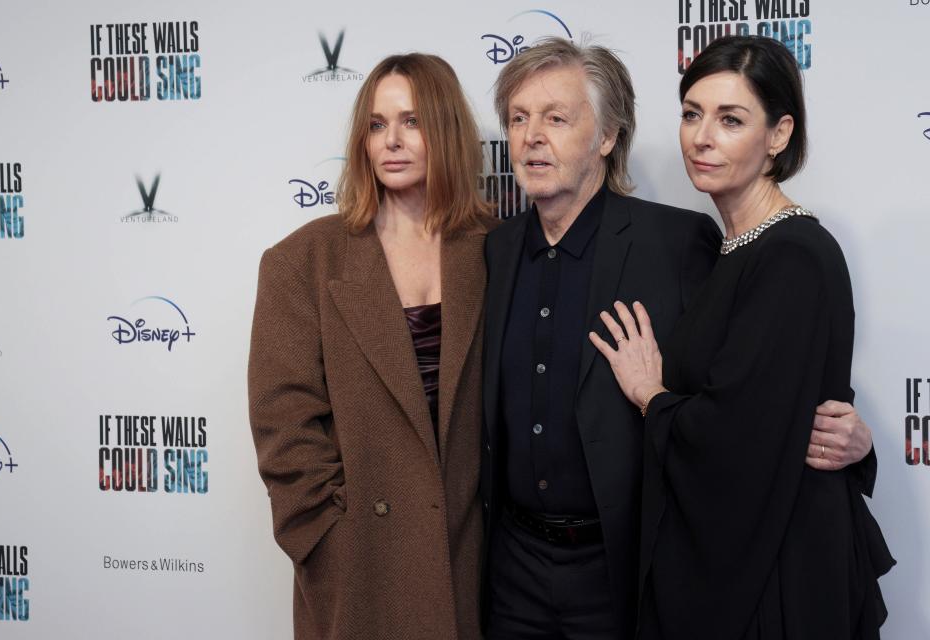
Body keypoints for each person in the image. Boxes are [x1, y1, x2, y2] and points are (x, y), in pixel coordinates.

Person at [480, 37, 877, 639]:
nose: (533, 135)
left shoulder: (700, 245)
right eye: (692, 114)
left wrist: (853, 439)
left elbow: (750, 417)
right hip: (514, 569)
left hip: (646, 569)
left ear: (607, 137)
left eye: (557, 118)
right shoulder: (494, 250)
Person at [590, 35, 894, 638]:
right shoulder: (735, 247)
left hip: (777, 577)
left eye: (731, 120)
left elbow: (737, 436)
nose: (701, 138)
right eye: (691, 114)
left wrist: (650, 395)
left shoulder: (793, 256)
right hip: (761, 558)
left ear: (779, 135)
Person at [248, 53, 493, 640]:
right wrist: (329, 541)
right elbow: (284, 427)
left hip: (475, 560)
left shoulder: (496, 249)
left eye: (412, 121)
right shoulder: (304, 259)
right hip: (363, 568)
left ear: (446, 130)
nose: (392, 141)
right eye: (377, 125)